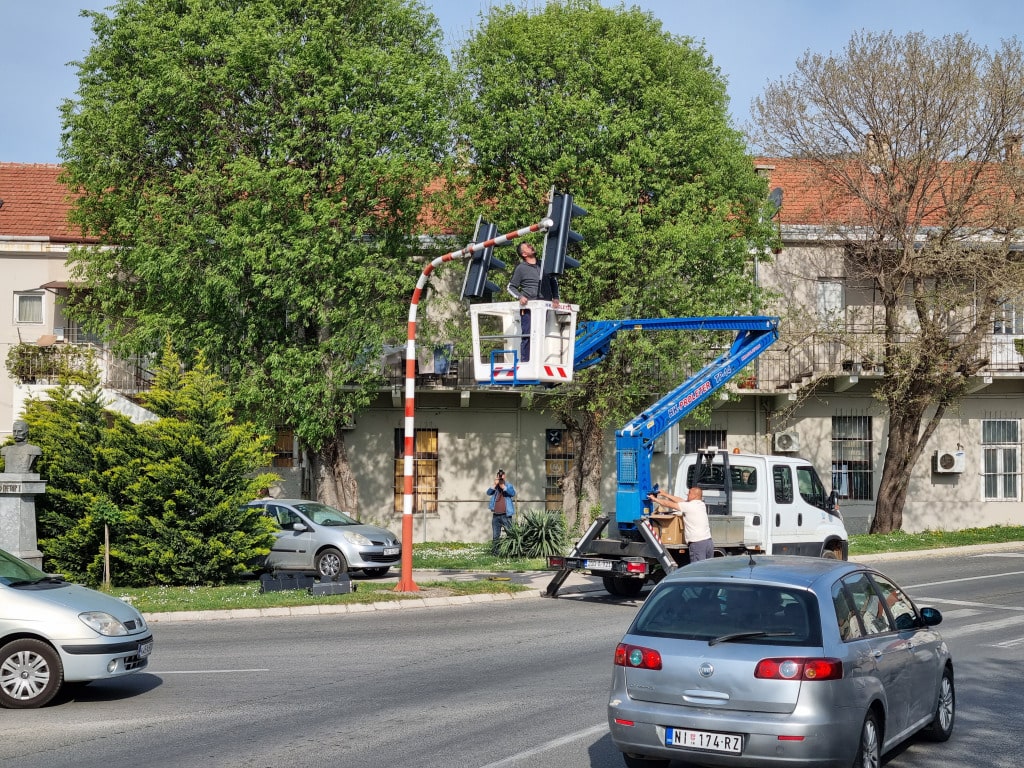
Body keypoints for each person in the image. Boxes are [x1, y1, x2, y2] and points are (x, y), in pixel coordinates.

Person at [506, 242, 560, 362]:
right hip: (529, 308)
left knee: (540, 334)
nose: (531, 246)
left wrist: (555, 297)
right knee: (528, 335)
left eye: (531, 244)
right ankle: (526, 363)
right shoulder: (521, 268)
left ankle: (538, 361)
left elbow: (553, 282)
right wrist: (520, 297)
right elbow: (510, 287)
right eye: (527, 246)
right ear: (524, 253)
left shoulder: (544, 265)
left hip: (543, 307)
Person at [648, 486, 714, 562]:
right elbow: (681, 501)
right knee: (706, 569)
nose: (687, 494)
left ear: (695, 496)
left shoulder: (690, 506)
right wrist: (665, 494)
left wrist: (655, 499)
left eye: (689, 493)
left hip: (697, 543)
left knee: (697, 570)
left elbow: (669, 504)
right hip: (708, 542)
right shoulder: (700, 504)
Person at [486, 469, 516, 545]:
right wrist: (494, 485)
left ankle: (510, 552)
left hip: (506, 515)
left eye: (502, 475)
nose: (500, 477)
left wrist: (503, 487)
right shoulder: (495, 486)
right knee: (495, 536)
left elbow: (513, 493)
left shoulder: (508, 485)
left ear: (504, 476)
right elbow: (488, 493)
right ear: (497, 476)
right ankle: (495, 552)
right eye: (499, 475)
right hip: (496, 515)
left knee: (510, 534)